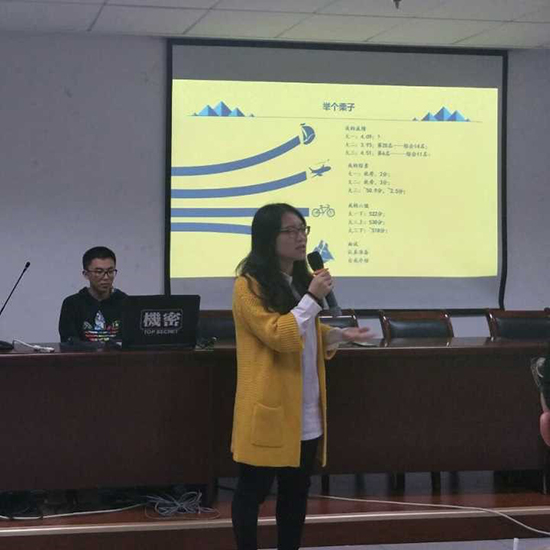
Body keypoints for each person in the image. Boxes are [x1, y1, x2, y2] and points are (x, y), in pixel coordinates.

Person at [231, 203, 372, 550]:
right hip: (269, 408)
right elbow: (279, 335)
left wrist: (338, 335)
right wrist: (312, 297)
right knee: (252, 493)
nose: (300, 238)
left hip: (305, 409)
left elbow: (305, 331)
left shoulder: (298, 282)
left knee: (295, 495)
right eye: (290, 231)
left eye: (303, 229)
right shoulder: (248, 286)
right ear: (268, 238)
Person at [59, 246, 127, 342]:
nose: (106, 277)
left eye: (110, 271)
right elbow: (68, 341)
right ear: (86, 274)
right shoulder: (72, 304)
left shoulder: (125, 302)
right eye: (99, 272)